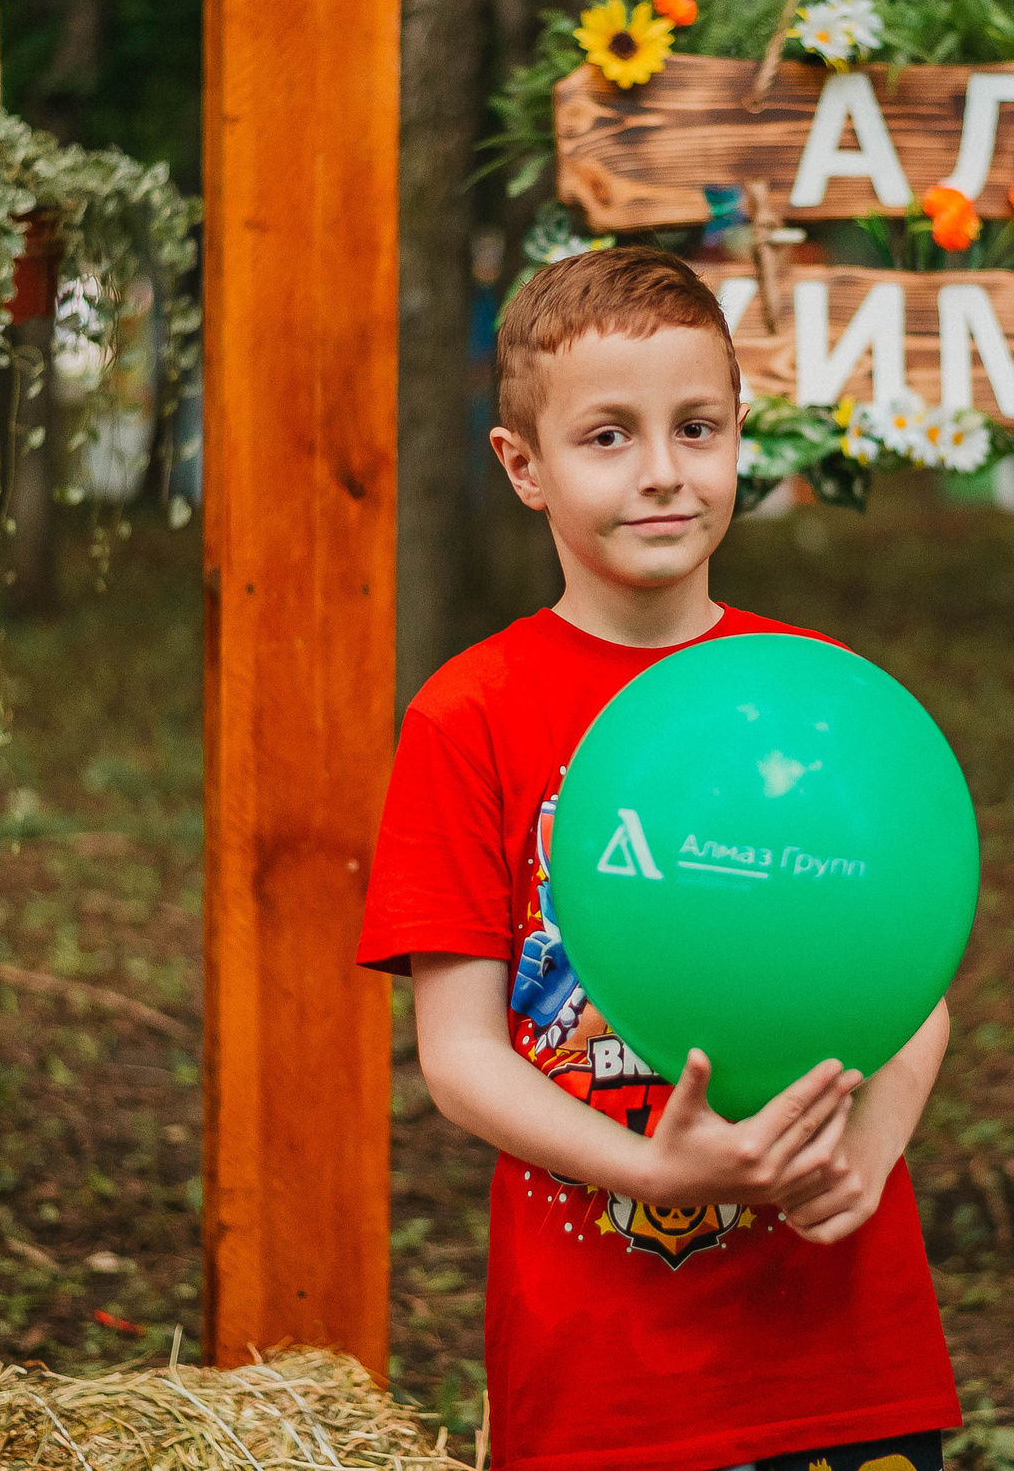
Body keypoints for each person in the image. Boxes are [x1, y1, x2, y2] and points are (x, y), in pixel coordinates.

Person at [357, 245, 959, 1471]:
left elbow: (910, 982)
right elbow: (461, 1053)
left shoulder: (814, 698)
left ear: (741, 431)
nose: (662, 474)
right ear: (522, 464)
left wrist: (870, 1149)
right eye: (607, 437)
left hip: (841, 1356)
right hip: (608, 1377)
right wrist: (653, 1165)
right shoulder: (468, 715)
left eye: (695, 427)